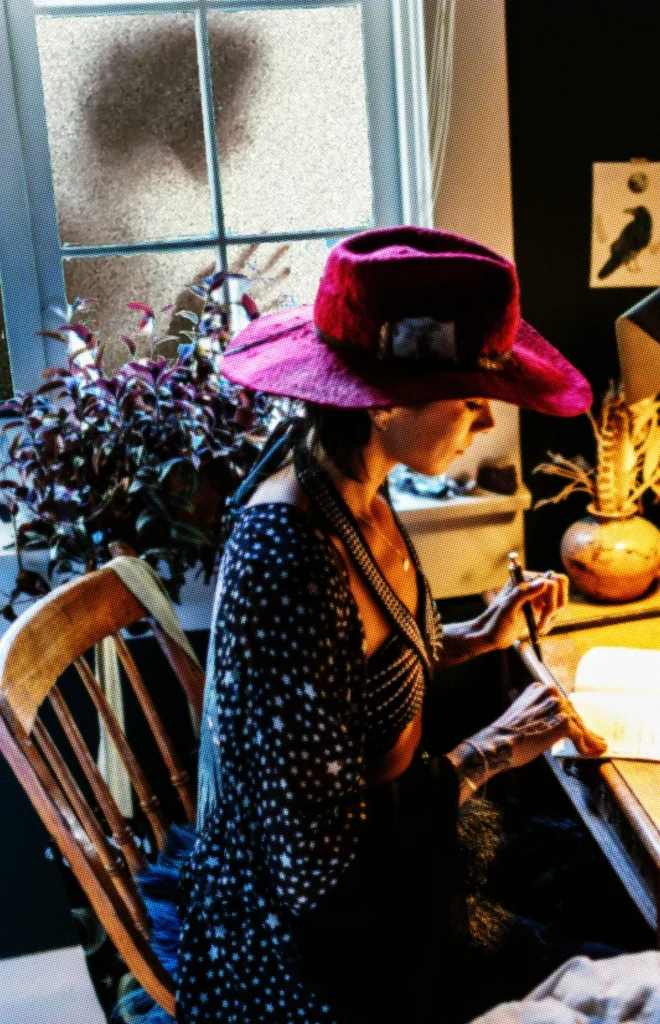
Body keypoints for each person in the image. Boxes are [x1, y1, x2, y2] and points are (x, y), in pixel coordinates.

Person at [140, 227, 609, 1024]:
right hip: (319, 940)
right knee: (597, 936)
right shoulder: (289, 557)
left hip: (392, 847)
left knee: (586, 876)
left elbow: (345, 679)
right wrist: (490, 748)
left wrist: (473, 635)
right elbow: (313, 863)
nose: (486, 422)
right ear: (385, 399)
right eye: (469, 398)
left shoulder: (353, 475)